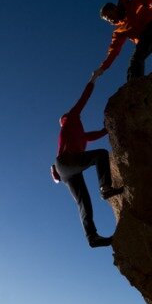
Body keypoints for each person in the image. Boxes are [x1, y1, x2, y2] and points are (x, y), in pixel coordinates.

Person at [51, 78, 123, 248]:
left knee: (84, 203)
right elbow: (84, 98)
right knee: (100, 154)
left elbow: (99, 134)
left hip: (67, 171)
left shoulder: (82, 136)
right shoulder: (71, 118)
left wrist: (109, 126)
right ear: (65, 119)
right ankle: (105, 187)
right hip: (66, 163)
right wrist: (93, 79)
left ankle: (92, 238)